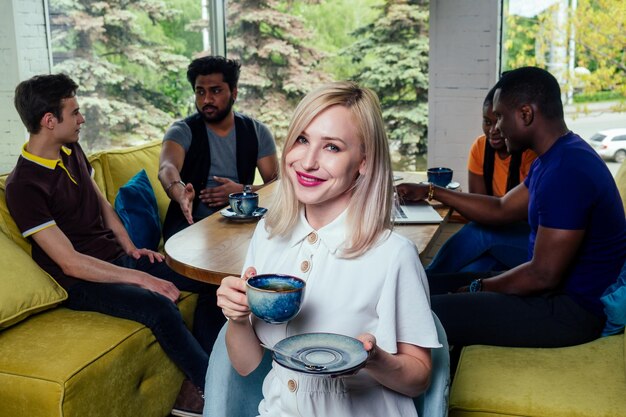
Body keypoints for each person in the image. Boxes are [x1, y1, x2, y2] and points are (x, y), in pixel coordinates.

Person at [215, 82, 441, 416]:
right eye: (302, 140)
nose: (307, 162)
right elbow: (248, 366)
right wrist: (237, 318)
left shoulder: (393, 255)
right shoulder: (269, 234)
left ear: (364, 161)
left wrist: (375, 360)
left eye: (332, 147)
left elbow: (419, 379)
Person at [6, 73, 221, 417]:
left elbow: (103, 206)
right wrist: (142, 278)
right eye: (74, 112)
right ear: (49, 121)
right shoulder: (24, 185)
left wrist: (133, 250)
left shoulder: (71, 149)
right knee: (158, 307)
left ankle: (205, 376)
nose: (82, 119)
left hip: (118, 259)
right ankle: (214, 390)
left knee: (208, 280)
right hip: (80, 283)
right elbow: (70, 263)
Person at [397, 67, 626, 359]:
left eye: (501, 117)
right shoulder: (557, 156)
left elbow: (543, 275)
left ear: (526, 114)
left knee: (413, 314)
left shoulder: (567, 172)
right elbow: (502, 208)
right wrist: (432, 191)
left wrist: (478, 287)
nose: (497, 128)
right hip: (551, 293)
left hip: (572, 311)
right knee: (415, 285)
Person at [159, 56, 279, 241]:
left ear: (234, 93)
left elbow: (277, 186)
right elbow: (167, 167)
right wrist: (179, 192)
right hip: (190, 229)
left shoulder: (257, 132)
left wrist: (243, 191)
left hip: (242, 225)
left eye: (215, 91)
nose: (207, 99)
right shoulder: (182, 130)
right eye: (200, 92)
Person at [425, 86, 537, 274]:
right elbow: (479, 212)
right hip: (501, 236)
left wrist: (432, 190)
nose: (494, 130)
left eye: (499, 120)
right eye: (487, 122)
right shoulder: (480, 147)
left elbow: (505, 213)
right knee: (468, 273)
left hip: (531, 239)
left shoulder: (530, 154)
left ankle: (423, 280)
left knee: (481, 233)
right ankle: (428, 289)